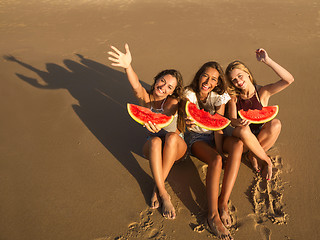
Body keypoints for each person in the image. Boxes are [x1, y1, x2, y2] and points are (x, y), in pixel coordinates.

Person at [108, 44, 187, 219]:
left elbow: (168, 114)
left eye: (170, 87)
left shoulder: (171, 103)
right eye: (162, 81)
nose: (164, 87)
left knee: (171, 137)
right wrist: (128, 66)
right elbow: (136, 85)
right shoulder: (145, 99)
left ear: (173, 92)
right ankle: (164, 193)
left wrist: (160, 124)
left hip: (176, 150)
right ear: (157, 79)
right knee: (155, 141)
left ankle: (156, 187)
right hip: (153, 150)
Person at [184, 61, 243, 240]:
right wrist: (187, 120)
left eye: (214, 79)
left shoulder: (220, 96)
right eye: (205, 75)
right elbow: (187, 115)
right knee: (216, 160)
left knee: (237, 145)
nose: (208, 81)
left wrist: (219, 149)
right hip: (196, 139)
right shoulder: (189, 94)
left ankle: (223, 202)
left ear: (218, 83)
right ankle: (212, 215)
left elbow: (218, 125)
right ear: (199, 75)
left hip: (215, 136)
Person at [225, 48, 294, 181]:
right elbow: (232, 120)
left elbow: (289, 80)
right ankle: (263, 157)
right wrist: (239, 122)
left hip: (261, 138)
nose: (238, 82)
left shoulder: (262, 92)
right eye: (234, 80)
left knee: (276, 123)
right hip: (244, 140)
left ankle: (253, 155)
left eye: (240, 76)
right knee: (244, 130)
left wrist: (267, 61)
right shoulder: (233, 97)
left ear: (247, 73)